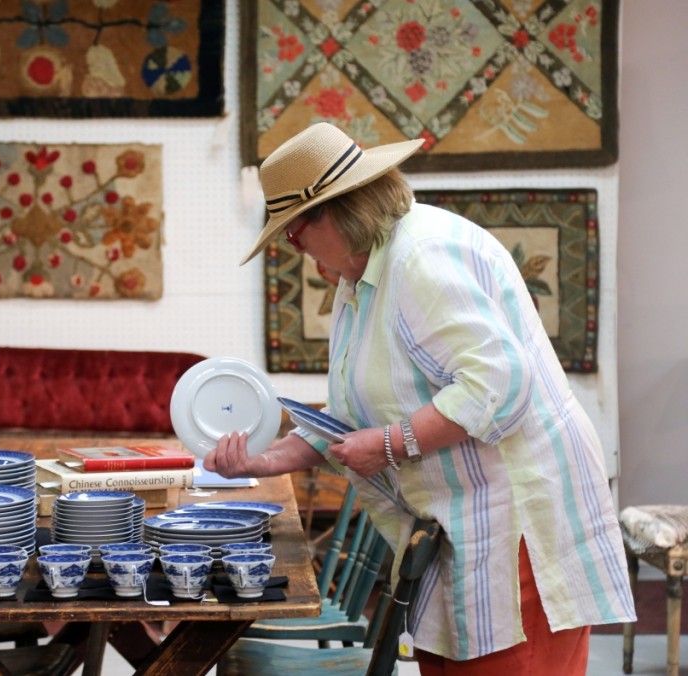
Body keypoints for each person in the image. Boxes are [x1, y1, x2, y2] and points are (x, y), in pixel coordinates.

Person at [204, 122, 635, 674]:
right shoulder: (359, 276)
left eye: (293, 229)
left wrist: (389, 444)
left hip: (519, 521)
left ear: (334, 212)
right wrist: (265, 461)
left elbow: (499, 384)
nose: (291, 245)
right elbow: (350, 410)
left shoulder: (420, 258)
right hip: (461, 518)